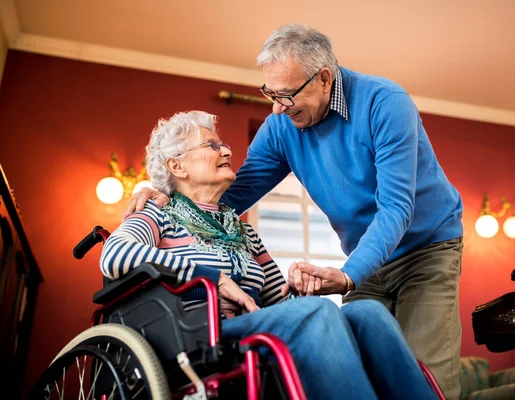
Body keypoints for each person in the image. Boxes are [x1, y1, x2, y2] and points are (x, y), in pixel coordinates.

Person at [127, 24, 464, 399]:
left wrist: (336, 278)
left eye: (286, 95)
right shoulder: (279, 128)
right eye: (270, 93)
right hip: (363, 259)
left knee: (425, 361)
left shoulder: (384, 102)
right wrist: (161, 192)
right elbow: (231, 192)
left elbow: (396, 207)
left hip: (426, 248)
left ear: (323, 79)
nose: (275, 108)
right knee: (358, 338)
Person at [105, 110, 437, 400]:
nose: (227, 150)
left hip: (248, 328)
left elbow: (278, 305)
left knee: (368, 313)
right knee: (316, 314)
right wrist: (213, 278)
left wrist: (298, 287)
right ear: (176, 165)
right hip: (196, 337)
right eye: (211, 145)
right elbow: (115, 255)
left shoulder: (243, 232)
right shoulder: (157, 214)